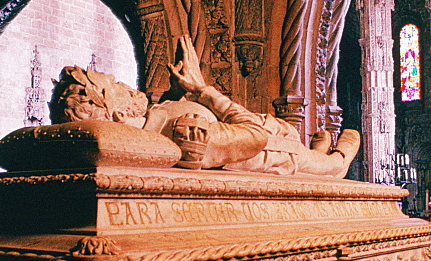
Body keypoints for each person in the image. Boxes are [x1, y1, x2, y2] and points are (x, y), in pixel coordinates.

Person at [50, 35, 360, 177]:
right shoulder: (184, 131)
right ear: (117, 112)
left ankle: (317, 152)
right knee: (332, 167)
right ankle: (334, 156)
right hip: (278, 154)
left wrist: (175, 95)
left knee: (305, 145)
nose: (125, 85)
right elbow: (254, 135)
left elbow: (156, 121)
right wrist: (202, 90)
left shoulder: (151, 125)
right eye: (116, 87)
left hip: (278, 136)